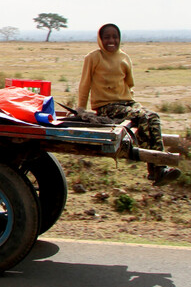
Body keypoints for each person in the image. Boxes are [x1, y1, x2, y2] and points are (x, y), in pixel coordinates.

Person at [77, 23, 181, 186]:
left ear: (120, 39)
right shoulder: (93, 58)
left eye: (115, 37)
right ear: (100, 39)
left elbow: (129, 83)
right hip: (106, 106)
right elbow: (85, 84)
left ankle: (156, 169)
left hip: (127, 103)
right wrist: (81, 109)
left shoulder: (124, 57)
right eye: (107, 37)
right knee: (144, 118)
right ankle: (158, 169)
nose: (111, 40)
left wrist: (129, 104)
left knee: (152, 118)